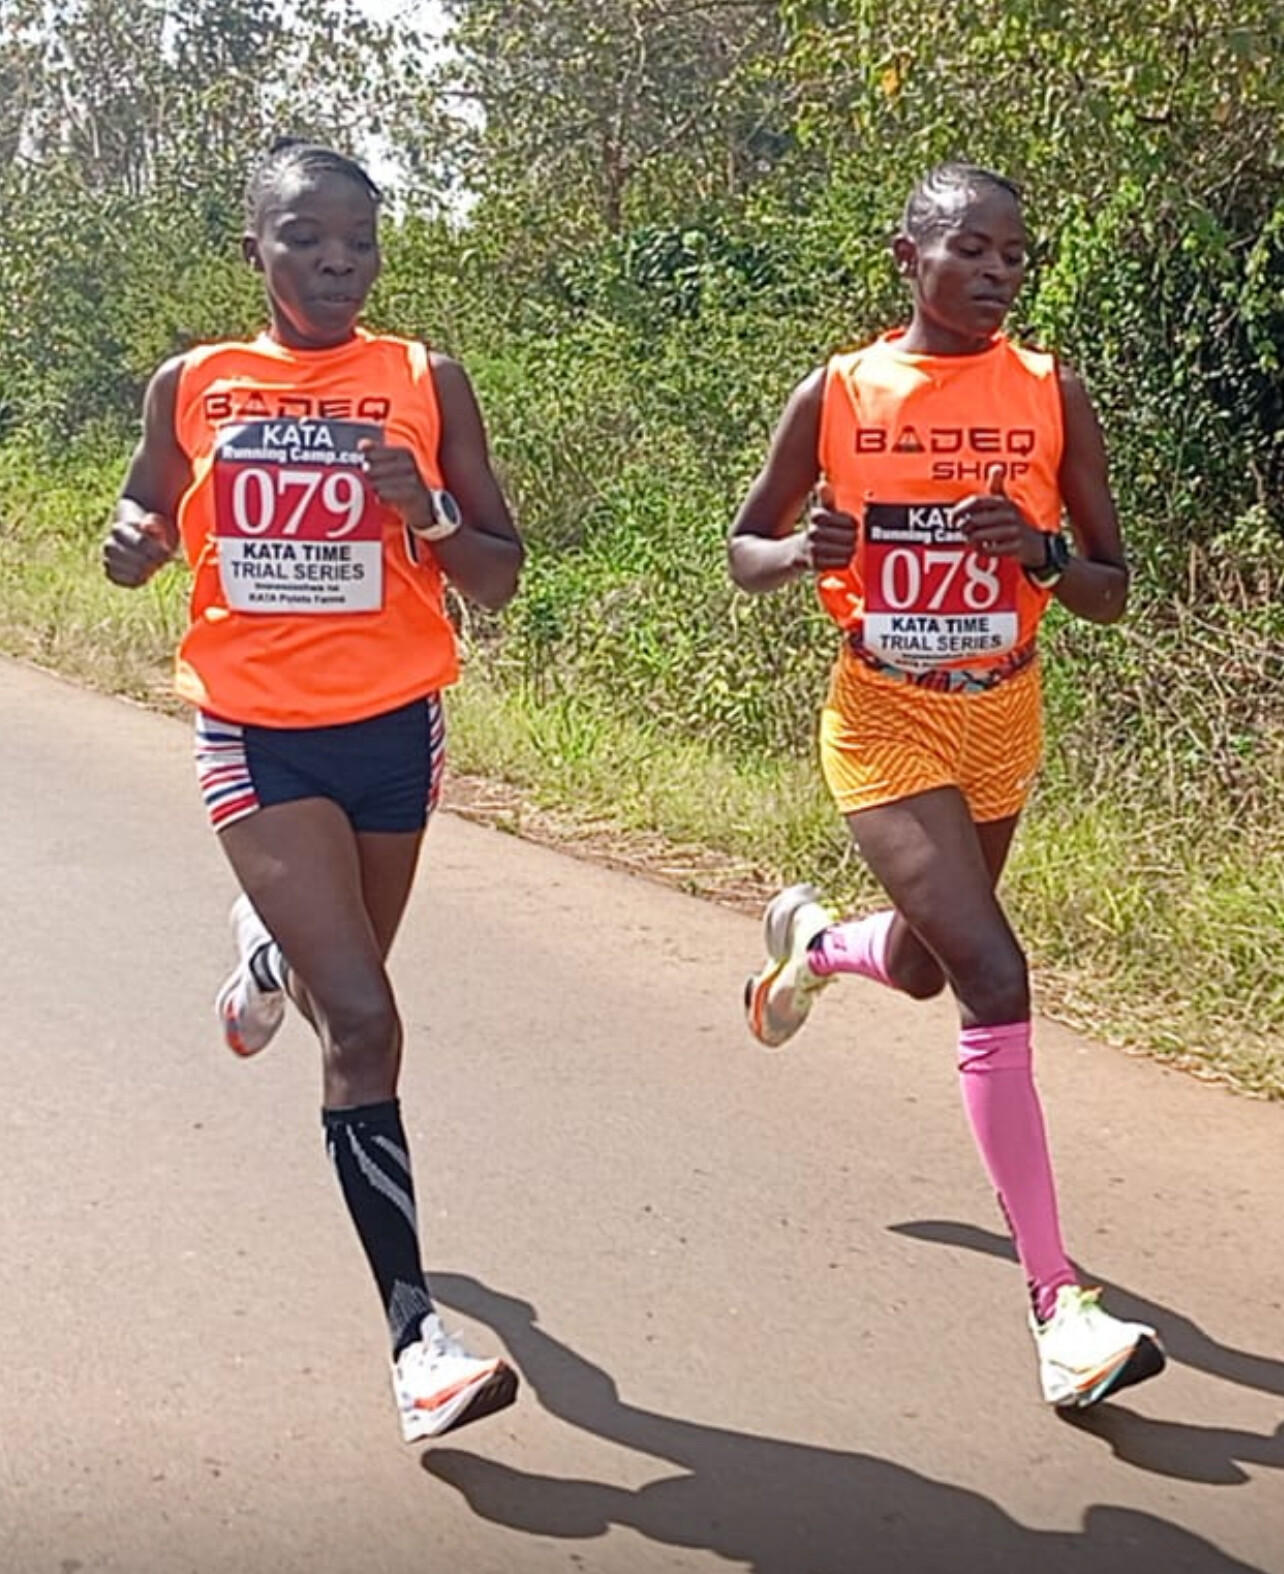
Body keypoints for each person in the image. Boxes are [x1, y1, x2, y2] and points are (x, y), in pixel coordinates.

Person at [103, 138, 525, 1443]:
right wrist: (132, 542)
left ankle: (264, 961)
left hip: (394, 732)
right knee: (367, 1020)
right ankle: (418, 1343)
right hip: (258, 735)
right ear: (255, 249)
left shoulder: (422, 379)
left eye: (359, 242)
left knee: (341, 992)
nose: (337, 262)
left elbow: (500, 571)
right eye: (305, 238)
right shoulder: (195, 384)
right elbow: (141, 522)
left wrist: (428, 511)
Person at [728, 161, 1165, 1411]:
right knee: (993, 972)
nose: (996, 273)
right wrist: (797, 551)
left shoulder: (1050, 391)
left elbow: (1110, 586)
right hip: (884, 714)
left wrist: (1042, 553)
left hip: (1003, 711)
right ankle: (1059, 1306)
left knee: (928, 965)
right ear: (906, 255)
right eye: (971, 249)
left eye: (1014, 255)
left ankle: (815, 946)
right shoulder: (839, 391)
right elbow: (744, 547)